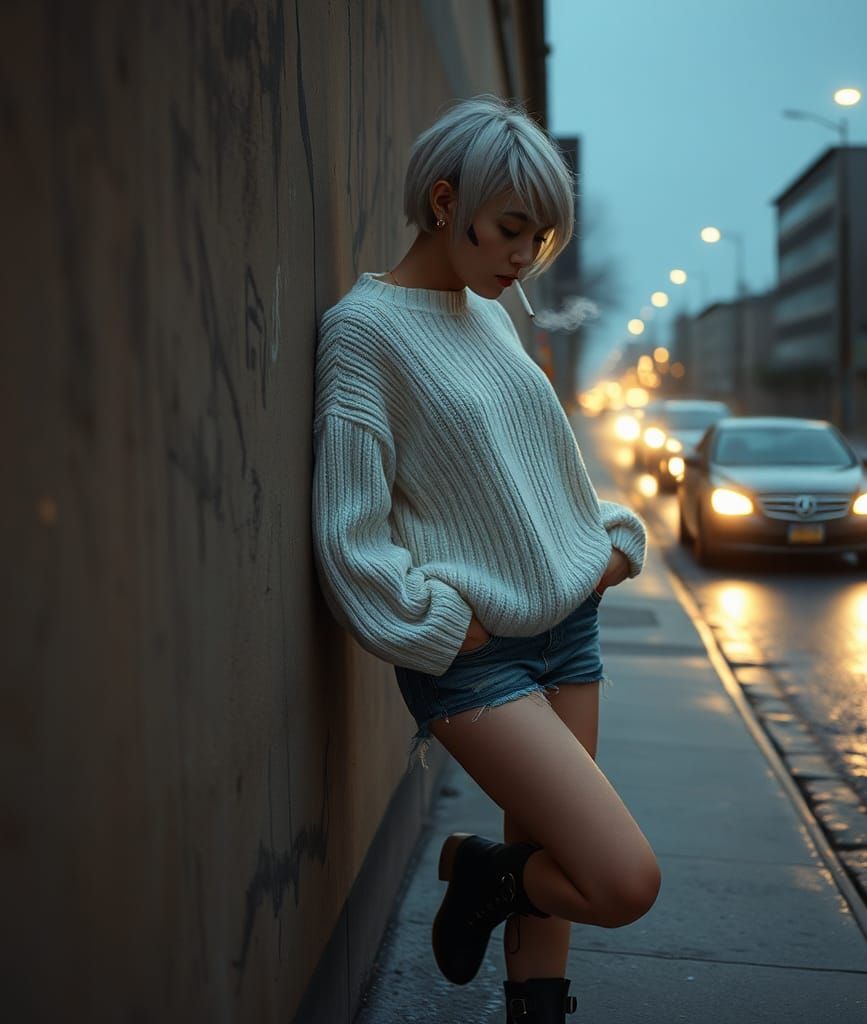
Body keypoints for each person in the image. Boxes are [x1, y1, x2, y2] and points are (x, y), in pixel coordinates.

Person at [311, 94, 660, 1023]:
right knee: (622, 880)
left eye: (539, 239)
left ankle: (503, 915)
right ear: (441, 201)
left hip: (567, 628)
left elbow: (537, 470)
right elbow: (349, 528)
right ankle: (484, 873)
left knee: (555, 871)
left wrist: (607, 546)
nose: (523, 258)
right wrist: (435, 625)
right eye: (512, 230)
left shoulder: (494, 319)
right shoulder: (364, 332)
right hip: (478, 657)